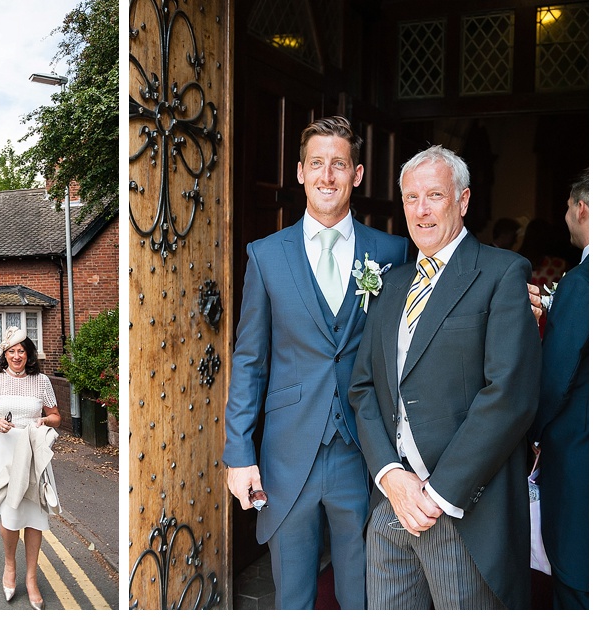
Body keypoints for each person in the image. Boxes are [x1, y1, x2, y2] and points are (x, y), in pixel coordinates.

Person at [222, 116, 409, 608]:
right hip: (288, 455)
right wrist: (240, 453)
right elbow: (249, 360)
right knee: (293, 598)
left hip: (363, 452)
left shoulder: (391, 252)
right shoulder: (265, 256)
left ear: (358, 174)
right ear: (301, 172)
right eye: (318, 164)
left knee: (366, 594)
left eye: (339, 165)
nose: (328, 176)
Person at [348, 145, 542, 609]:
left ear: (463, 200)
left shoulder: (501, 273)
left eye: (434, 195)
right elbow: (363, 389)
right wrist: (391, 477)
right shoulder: (392, 284)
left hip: (463, 512)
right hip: (391, 508)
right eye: (411, 197)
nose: (421, 209)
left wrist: (437, 494)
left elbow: (508, 396)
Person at [532, 172, 589, 609]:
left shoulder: (581, 284)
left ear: (581, 208)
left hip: (579, 459)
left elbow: (556, 380)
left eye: (569, 209)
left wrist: (528, 432)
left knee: (575, 583)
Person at [0, 328, 61, 610]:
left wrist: (44, 422)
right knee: (10, 515)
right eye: (11, 351)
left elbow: (56, 417)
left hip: (34, 454)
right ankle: (10, 566)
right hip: (4, 452)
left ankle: (32, 579)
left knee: (35, 517)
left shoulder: (41, 381)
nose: (16, 356)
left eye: (21, 351)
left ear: (29, 354)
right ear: (5, 354)